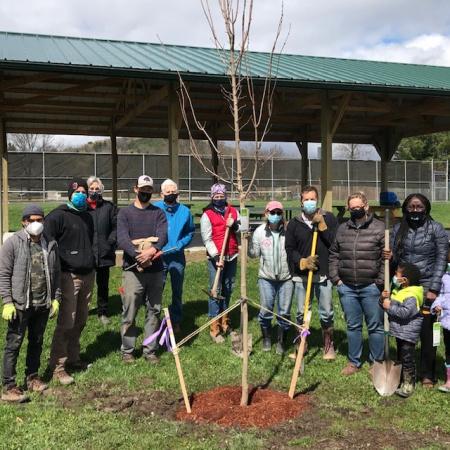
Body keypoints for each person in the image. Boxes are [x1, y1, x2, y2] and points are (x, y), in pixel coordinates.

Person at [386, 193, 448, 387]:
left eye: (418, 207)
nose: (414, 211)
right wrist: (391, 256)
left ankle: (427, 373)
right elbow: (395, 261)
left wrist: (433, 288)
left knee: (427, 331)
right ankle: (404, 370)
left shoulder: (436, 229)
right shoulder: (398, 229)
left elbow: (441, 260)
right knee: (402, 327)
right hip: (404, 286)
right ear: (405, 209)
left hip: (427, 284)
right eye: (411, 207)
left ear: (426, 208)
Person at [0, 205, 60, 402]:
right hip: (20, 305)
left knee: (36, 341)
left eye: (40, 219)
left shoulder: (50, 243)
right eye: (32, 219)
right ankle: (9, 386)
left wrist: (55, 298)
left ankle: (33, 377)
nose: (36, 223)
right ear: (23, 221)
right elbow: (4, 274)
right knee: (14, 344)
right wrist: (7, 301)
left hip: (42, 303)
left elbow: (56, 273)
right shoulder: (12, 243)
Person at [44, 178, 95, 385]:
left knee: (81, 320)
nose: (81, 194)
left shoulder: (87, 217)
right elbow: (47, 244)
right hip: (68, 277)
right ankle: (57, 366)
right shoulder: (58, 216)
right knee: (67, 321)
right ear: (69, 194)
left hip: (88, 275)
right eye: (78, 191)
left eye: (84, 191)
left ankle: (73, 358)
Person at [329, 192, 385, 376]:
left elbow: (387, 258)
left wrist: (380, 282)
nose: (355, 210)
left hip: (371, 287)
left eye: (358, 207)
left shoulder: (379, 228)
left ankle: (376, 361)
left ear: (366, 206)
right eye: (351, 208)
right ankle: (354, 361)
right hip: (348, 287)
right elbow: (334, 254)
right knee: (353, 326)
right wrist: (336, 279)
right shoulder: (342, 229)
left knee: (375, 326)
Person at [117, 175, 167, 364]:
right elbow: (122, 238)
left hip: (155, 270)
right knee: (129, 311)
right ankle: (127, 350)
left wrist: (153, 250)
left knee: (153, 311)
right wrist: (139, 255)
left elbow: (163, 235)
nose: (145, 192)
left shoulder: (158, 213)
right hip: (132, 271)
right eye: (142, 189)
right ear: (135, 188)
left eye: (149, 190)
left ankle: (150, 350)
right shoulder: (125, 213)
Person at [285, 185, 338, 359]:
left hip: (323, 274)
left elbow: (335, 244)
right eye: (306, 199)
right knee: (301, 311)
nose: (309, 202)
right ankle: (302, 344)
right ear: (301, 202)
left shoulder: (328, 218)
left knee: (327, 311)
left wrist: (322, 227)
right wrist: (301, 261)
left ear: (317, 199)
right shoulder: (294, 223)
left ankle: (328, 345)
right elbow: (289, 248)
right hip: (302, 275)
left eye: (312, 199)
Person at [250, 200, 293, 354]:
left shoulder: (289, 231)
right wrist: (246, 240)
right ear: (266, 214)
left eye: (278, 213)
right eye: (272, 212)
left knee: (284, 311)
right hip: (266, 278)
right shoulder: (260, 232)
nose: (275, 215)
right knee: (266, 308)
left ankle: (281, 341)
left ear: (282, 214)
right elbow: (254, 254)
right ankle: (267, 338)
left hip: (286, 278)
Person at [154, 179, 195, 334]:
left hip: (177, 258)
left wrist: (180, 244)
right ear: (162, 193)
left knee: (177, 291)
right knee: (157, 290)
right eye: (168, 192)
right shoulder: (155, 209)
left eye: (173, 192)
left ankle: (176, 319)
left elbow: (190, 232)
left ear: (178, 193)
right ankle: (154, 319)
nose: (171, 194)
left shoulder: (185, 211)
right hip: (159, 257)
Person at [200, 183, 239, 343]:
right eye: (216, 196)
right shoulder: (207, 215)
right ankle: (214, 326)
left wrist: (234, 225)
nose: (219, 198)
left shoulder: (233, 211)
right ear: (212, 197)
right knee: (216, 290)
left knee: (228, 288)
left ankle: (225, 322)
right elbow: (206, 238)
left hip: (232, 254)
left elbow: (241, 230)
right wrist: (216, 257)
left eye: (221, 196)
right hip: (216, 257)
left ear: (226, 196)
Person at [381, 263, 423, 398]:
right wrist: (383, 299)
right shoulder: (399, 291)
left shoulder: (412, 295)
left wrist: (389, 307)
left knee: (407, 358)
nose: (394, 277)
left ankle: (409, 383)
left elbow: (405, 313)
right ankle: (399, 380)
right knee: (401, 356)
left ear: (404, 280)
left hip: (408, 334)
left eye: (396, 275)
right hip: (400, 332)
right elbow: (385, 306)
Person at [86, 176, 117, 325]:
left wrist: (110, 243)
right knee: (85, 284)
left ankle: (102, 312)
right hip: (86, 253)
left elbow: (116, 227)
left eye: (97, 189)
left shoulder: (109, 207)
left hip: (104, 253)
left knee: (103, 284)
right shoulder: (82, 208)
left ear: (102, 190)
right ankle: (82, 310)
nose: (94, 191)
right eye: (91, 188)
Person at [431, 251, 450, 393]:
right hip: (447, 320)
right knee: (449, 350)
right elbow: (441, 294)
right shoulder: (445, 277)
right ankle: (449, 380)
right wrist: (436, 305)